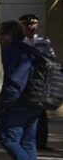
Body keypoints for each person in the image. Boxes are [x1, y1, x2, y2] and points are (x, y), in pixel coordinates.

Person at [0, 20, 45, 160]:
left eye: (0, 34)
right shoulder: (30, 50)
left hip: (17, 102)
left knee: (8, 139)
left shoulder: (11, 51)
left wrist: (5, 101)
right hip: (35, 102)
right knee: (27, 141)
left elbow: (13, 80)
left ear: (8, 35)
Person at [20, 13, 54, 151]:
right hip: (22, 81)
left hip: (38, 81)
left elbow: (52, 60)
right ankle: (23, 141)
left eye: (33, 24)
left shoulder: (43, 41)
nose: (30, 27)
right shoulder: (19, 42)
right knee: (21, 112)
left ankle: (41, 142)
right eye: (27, 24)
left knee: (40, 113)